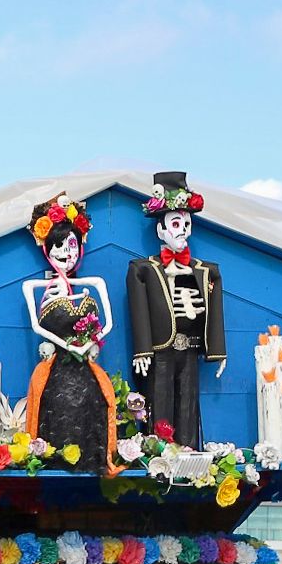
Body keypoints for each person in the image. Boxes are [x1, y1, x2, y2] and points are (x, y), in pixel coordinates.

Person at [22, 194, 119, 474]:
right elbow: (37, 326)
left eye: (72, 246)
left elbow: (108, 324)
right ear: (47, 249)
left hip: (84, 365)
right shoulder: (35, 287)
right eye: (60, 246)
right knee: (57, 407)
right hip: (59, 367)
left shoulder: (94, 283)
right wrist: (66, 343)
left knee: (94, 404)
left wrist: (87, 342)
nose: (67, 252)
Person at [128, 171, 226, 449]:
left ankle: (189, 449)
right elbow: (139, 311)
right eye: (175, 223)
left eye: (186, 223)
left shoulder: (205, 270)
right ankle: (159, 449)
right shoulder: (143, 269)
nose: (181, 230)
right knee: (160, 401)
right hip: (161, 350)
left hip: (191, 348)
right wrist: (142, 350)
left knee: (188, 404)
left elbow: (215, 309)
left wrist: (217, 350)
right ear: (161, 230)